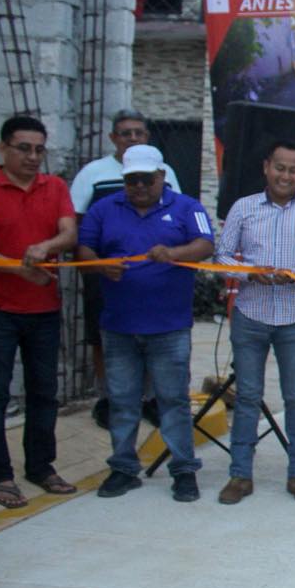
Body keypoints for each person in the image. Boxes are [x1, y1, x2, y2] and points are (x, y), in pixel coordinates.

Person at [76, 145, 213, 503]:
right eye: (131, 180)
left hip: (169, 327)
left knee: (173, 401)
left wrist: (174, 254)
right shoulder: (104, 208)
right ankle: (123, 468)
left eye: (145, 179)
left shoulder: (186, 207)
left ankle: (183, 470)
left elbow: (205, 244)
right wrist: (99, 265)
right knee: (121, 401)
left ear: (161, 177)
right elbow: (83, 248)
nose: (138, 186)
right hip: (119, 325)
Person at [0, 115, 77, 509]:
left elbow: (68, 233)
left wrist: (45, 247)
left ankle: (40, 466)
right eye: (23, 148)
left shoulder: (55, 186)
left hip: (43, 310)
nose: (32, 156)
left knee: (44, 393)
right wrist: (19, 269)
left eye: (39, 149)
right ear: (3, 149)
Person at [213, 140, 295, 505]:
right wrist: (250, 273)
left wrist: (293, 275)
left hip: (294, 318)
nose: (286, 175)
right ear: (266, 167)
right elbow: (220, 255)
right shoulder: (244, 208)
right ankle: (239, 476)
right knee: (247, 396)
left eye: (293, 170)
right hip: (250, 315)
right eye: (280, 167)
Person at [70, 109, 183, 429]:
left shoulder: (167, 172)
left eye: (138, 133)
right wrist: (96, 263)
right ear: (113, 138)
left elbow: (179, 215)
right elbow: (77, 222)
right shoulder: (92, 173)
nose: (132, 138)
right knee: (103, 337)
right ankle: (109, 398)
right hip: (107, 273)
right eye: (125, 133)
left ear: (147, 137)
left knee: (152, 334)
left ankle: (148, 398)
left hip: (154, 272)